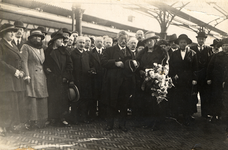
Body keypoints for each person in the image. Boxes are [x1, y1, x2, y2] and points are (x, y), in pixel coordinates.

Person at [101, 31, 136, 132]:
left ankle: (122, 125)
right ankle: (109, 125)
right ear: (118, 39)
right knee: (111, 103)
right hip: (112, 82)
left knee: (124, 104)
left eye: (125, 39)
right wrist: (115, 63)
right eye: (121, 39)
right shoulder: (109, 50)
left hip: (125, 82)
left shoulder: (130, 52)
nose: (123, 41)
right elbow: (102, 62)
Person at [136, 31, 168, 130]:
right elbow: (137, 64)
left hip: (157, 80)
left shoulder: (161, 51)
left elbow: (165, 65)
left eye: (151, 41)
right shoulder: (142, 52)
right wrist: (141, 71)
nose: (149, 43)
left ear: (155, 40)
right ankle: (148, 122)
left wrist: (160, 74)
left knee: (157, 101)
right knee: (146, 101)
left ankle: (157, 123)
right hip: (145, 80)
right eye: (147, 41)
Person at [0, 24, 26, 136]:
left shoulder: (13, 45)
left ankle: (10, 125)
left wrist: (21, 71)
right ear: (3, 34)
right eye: (9, 32)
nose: (12, 33)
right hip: (6, 77)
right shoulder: (1, 45)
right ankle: (3, 127)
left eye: (13, 32)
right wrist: (14, 71)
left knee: (14, 102)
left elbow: (19, 60)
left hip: (15, 78)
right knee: (6, 103)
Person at [43, 31, 73, 127]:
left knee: (63, 100)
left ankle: (62, 118)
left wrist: (66, 76)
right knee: (52, 99)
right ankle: (52, 118)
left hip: (62, 79)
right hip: (52, 79)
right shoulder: (47, 51)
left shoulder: (65, 51)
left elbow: (69, 65)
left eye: (62, 40)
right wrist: (47, 70)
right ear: (54, 41)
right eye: (60, 39)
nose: (61, 41)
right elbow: (44, 63)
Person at [21, 29, 48, 129]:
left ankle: (42, 120)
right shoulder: (26, 47)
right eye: (36, 37)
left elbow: (42, 62)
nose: (38, 39)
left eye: (40, 37)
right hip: (32, 74)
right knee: (32, 97)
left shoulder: (41, 49)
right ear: (31, 38)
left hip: (41, 76)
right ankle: (32, 121)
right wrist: (26, 75)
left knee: (42, 97)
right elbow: (24, 62)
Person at [169, 34, 198, 126]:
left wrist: (194, 78)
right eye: (181, 42)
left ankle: (187, 116)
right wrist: (174, 75)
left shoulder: (193, 54)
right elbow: (171, 66)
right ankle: (178, 116)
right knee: (178, 97)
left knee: (188, 98)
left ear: (187, 43)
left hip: (188, 80)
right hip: (178, 80)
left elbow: (195, 67)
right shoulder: (174, 54)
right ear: (178, 43)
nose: (183, 44)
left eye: (184, 42)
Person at [190, 31, 213, 119]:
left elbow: (210, 64)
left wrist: (208, 77)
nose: (201, 40)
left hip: (204, 76)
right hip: (195, 75)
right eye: (199, 39)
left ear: (205, 40)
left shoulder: (208, 49)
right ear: (197, 39)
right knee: (193, 95)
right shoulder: (192, 48)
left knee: (205, 95)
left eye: (202, 39)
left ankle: (205, 113)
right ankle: (192, 112)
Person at [206, 38, 228, 123]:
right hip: (216, 80)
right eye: (224, 45)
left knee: (225, 99)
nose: (225, 47)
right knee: (216, 97)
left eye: (227, 45)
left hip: (226, 81)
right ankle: (215, 115)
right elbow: (210, 67)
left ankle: (224, 117)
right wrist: (209, 78)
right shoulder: (217, 55)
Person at [89, 37, 106, 121]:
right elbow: (89, 63)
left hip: (104, 78)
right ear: (94, 43)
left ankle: (102, 115)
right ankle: (92, 116)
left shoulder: (106, 52)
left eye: (101, 42)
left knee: (103, 97)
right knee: (93, 97)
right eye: (98, 41)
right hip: (94, 78)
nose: (100, 43)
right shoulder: (91, 53)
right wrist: (92, 69)